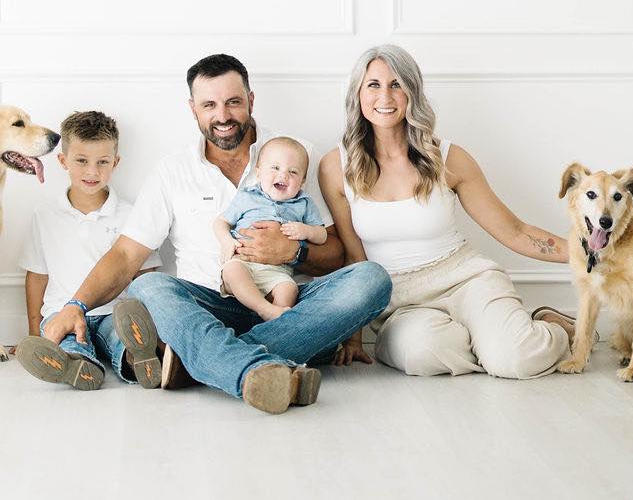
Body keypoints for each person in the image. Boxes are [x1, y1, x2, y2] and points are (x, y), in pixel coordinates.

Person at [40, 54, 392, 414]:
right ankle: (254, 366)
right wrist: (75, 305)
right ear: (193, 109)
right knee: (148, 287)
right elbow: (127, 255)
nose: (222, 115)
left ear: (251, 101)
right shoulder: (173, 171)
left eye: (233, 102)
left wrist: (292, 252)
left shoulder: (294, 154)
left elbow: (334, 252)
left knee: (371, 279)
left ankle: (200, 361)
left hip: (286, 305)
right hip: (208, 307)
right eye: (209, 105)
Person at [320, 44, 574, 379]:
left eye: (397, 84)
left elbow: (514, 230)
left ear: (413, 92)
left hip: (466, 279)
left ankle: (551, 326)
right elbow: (356, 260)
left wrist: (591, 254)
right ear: (358, 93)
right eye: (374, 85)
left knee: (515, 360)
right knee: (422, 355)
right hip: (401, 301)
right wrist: (353, 336)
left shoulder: (448, 157)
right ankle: (492, 340)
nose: (385, 96)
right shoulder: (336, 167)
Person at [14, 111, 162, 390]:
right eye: (81, 161)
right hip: (60, 312)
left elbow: (146, 274)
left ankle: (137, 358)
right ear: (63, 161)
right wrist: (34, 332)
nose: (92, 172)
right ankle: (75, 364)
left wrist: (150, 319)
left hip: (113, 313)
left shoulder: (131, 214)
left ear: (115, 163)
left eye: (102, 162)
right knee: (64, 339)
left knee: (122, 337)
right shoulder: (45, 214)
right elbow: (37, 277)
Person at [213, 137, 328, 322]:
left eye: (293, 171)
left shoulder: (304, 203)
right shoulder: (248, 197)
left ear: (303, 180)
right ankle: (264, 309)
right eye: (275, 168)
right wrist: (227, 241)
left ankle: (273, 324)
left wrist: (306, 231)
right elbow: (220, 222)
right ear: (258, 172)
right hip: (243, 262)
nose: (283, 175)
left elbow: (322, 235)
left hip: (278, 271)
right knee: (232, 271)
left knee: (289, 289)